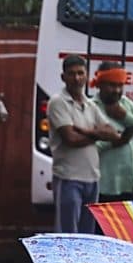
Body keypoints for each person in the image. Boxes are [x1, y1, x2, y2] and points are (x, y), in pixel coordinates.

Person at [44, 54, 106, 232]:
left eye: (80, 73)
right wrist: (97, 135)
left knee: (87, 236)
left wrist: (86, 131)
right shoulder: (58, 102)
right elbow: (70, 139)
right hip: (69, 177)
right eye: (72, 74)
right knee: (67, 234)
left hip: (92, 178)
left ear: (87, 76)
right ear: (63, 77)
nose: (77, 78)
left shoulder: (90, 104)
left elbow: (111, 132)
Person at [89, 64, 133, 204]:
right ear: (100, 84)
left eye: (120, 85)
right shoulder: (91, 107)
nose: (117, 90)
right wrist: (114, 141)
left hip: (129, 186)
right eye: (112, 85)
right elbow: (88, 147)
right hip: (104, 187)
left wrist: (125, 116)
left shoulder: (126, 104)